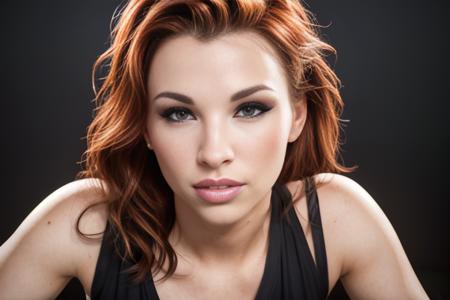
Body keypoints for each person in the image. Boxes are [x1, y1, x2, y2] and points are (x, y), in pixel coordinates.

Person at [0, 0, 429, 299]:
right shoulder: (85, 221)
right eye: (179, 114)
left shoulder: (334, 219)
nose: (214, 152)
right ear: (145, 127)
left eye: (249, 108)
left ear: (297, 115)